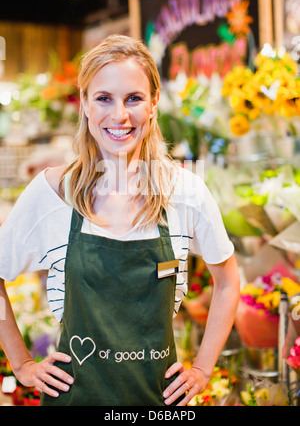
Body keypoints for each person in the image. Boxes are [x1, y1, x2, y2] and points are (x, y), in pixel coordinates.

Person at [0, 34, 240, 406]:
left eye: (133, 98)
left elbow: (227, 282)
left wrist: (204, 368)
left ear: (154, 103)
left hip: (158, 401)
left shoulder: (185, 192)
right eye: (103, 98)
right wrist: (22, 363)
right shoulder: (51, 194)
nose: (119, 116)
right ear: (84, 102)